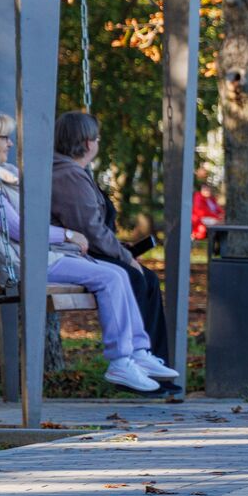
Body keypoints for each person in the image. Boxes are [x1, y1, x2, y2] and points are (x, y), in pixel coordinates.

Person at [0, 111, 178, 393]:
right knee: (111, 278)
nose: (9, 145)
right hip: (20, 264)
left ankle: (137, 351)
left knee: (116, 272)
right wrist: (67, 234)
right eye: (6, 138)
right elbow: (19, 229)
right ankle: (119, 359)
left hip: (34, 258)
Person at [51, 111, 170, 363]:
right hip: (76, 252)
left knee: (145, 278)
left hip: (83, 249)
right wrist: (125, 256)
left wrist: (122, 249)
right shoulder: (68, 175)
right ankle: (138, 357)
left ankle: (150, 358)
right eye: (97, 138)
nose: (97, 143)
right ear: (87, 143)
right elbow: (89, 228)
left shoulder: (71, 171)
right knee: (134, 276)